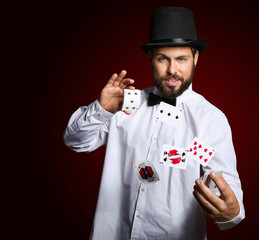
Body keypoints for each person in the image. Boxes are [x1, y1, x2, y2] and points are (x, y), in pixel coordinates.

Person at [64, 7, 245, 240]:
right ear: (150, 58)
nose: (172, 70)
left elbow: (221, 181)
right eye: (163, 59)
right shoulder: (124, 103)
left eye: (182, 59)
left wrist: (231, 211)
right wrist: (101, 110)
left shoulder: (209, 120)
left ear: (195, 58)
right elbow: (75, 142)